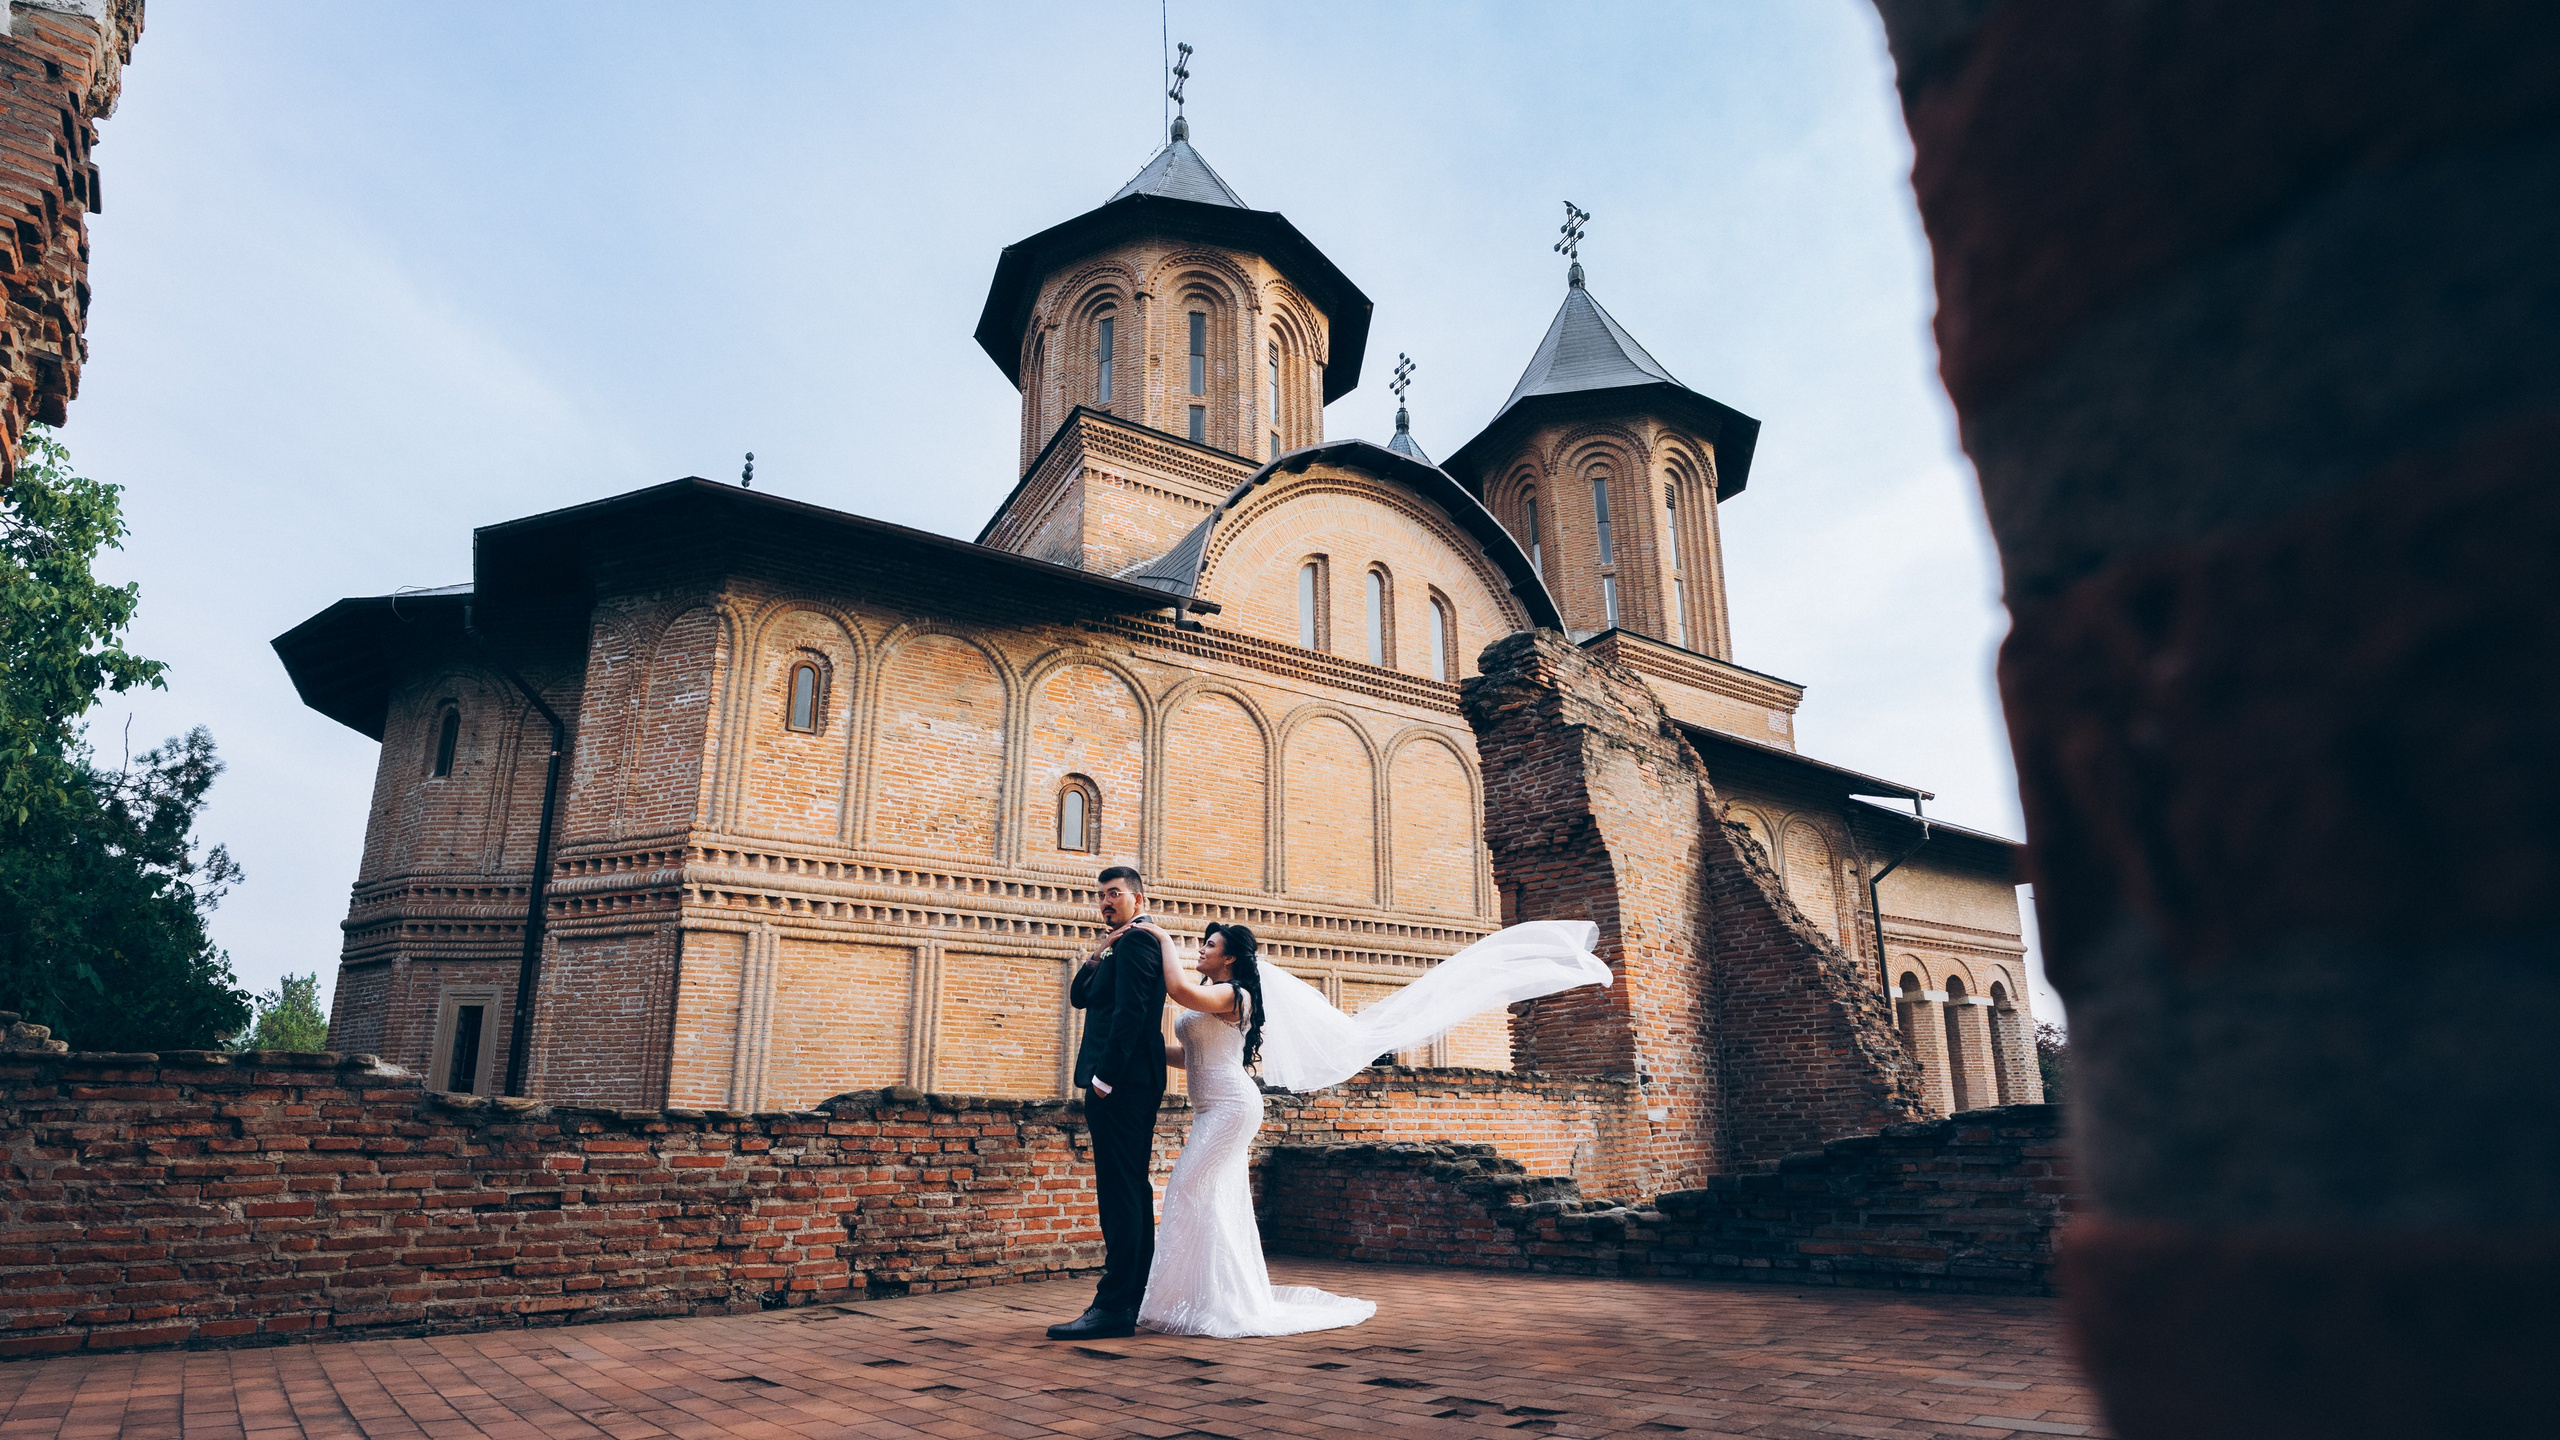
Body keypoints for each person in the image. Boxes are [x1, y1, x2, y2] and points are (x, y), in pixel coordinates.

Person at [1105, 913, 1612, 1338]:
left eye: (1208, 945)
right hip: (1211, 1105)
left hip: (1233, 1107)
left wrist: (1157, 935)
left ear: (1231, 957)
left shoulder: (1234, 995)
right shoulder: (1214, 993)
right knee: (1208, 1196)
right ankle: (1204, 1296)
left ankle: (1216, 1300)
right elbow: (1187, 1053)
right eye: (1197, 944)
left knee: (1188, 1190)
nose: (1200, 950)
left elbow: (1178, 992)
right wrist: (1139, 1054)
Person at [1045, 865, 1167, 1342]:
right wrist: (1098, 953)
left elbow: (1133, 1012)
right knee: (1128, 1189)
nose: (1105, 902)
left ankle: (1114, 1306)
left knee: (1120, 1193)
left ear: (1138, 897)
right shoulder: (1120, 943)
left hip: (1122, 1083)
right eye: (1101, 896)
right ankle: (1127, 1300)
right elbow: (1080, 997)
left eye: (1115, 894)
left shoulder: (1139, 941)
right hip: (1122, 1082)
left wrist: (1105, 1078)